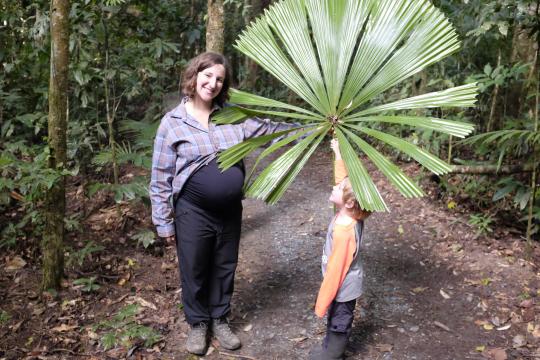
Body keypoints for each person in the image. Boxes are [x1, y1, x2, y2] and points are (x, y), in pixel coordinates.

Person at [150, 52, 304, 355]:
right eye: (208, 76)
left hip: (230, 210)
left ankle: (219, 319)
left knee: (224, 266)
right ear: (194, 77)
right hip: (192, 209)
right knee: (194, 268)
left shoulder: (233, 115)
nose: (213, 83)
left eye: (219, 78)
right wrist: (163, 221)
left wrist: (312, 127)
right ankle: (198, 324)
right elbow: (160, 177)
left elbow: (271, 131)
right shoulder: (173, 123)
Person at [309, 139, 371, 360]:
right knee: (336, 318)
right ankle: (329, 349)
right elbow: (343, 180)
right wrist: (337, 152)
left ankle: (332, 354)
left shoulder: (344, 232)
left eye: (337, 189)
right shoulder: (350, 214)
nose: (334, 186)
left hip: (342, 288)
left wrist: (322, 302)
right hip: (342, 286)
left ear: (350, 202)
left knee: (339, 322)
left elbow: (336, 272)